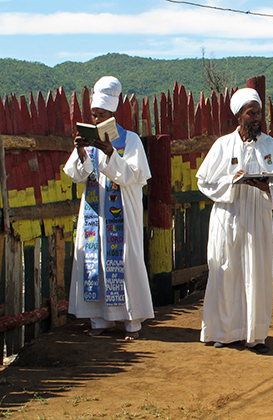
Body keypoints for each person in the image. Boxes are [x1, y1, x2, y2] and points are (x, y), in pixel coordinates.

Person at [196, 87, 273, 354]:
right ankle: (223, 333)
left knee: (257, 274)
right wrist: (232, 179)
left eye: (259, 112)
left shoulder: (272, 146)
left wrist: (264, 186)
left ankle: (255, 336)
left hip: (258, 219)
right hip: (228, 218)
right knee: (225, 272)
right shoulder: (223, 145)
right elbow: (204, 181)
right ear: (239, 115)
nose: (256, 118)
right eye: (251, 113)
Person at [64, 76, 153, 341]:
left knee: (125, 260)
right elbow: (77, 175)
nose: (95, 119)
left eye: (101, 115)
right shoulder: (88, 140)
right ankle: (99, 319)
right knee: (95, 260)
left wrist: (111, 153)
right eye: (93, 115)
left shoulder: (130, 140)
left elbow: (132, 176)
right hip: (94, 213)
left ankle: (131, 322)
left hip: (121, 212)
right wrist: (82, 153)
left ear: (112, 114)